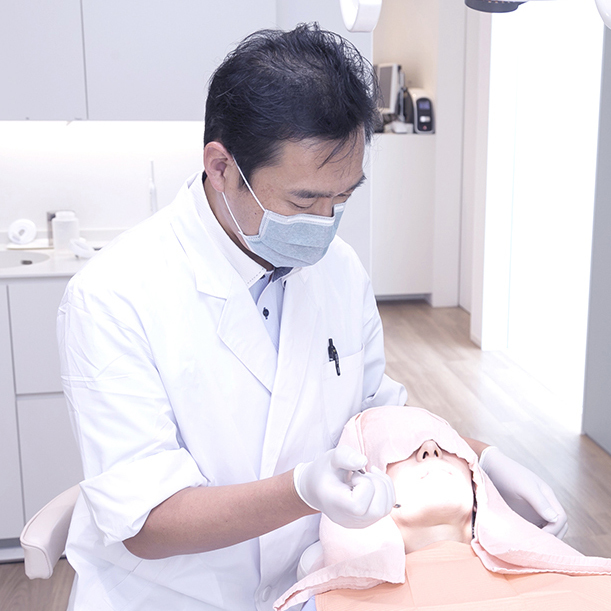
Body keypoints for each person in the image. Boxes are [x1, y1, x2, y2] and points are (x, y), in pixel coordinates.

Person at [57, 24, 566, 611]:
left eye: (341, 198)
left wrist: (484, 459)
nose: (324, 224)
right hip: (171, 595)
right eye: (303, 200)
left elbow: (377, 419)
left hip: (313, 583)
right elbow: (148, 525)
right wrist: (302, 490)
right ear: (221, 167)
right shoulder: (112, 297)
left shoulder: (339, 270)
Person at [276, 406, 611, 611]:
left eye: (445, 445)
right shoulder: (324, 605)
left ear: (477, 482)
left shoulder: (589, 584)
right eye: (401, 448)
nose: (430, 449)